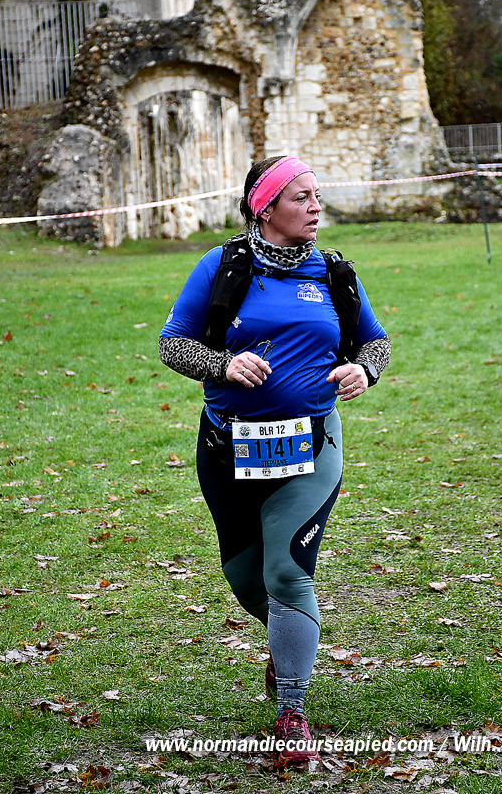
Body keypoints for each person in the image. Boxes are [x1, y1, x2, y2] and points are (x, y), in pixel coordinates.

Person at [158, 155, 390, 762]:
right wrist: (222, 364)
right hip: (227, 447)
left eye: (317, 195)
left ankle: (291, 711)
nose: (316, 207)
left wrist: (363, 370)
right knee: (245, 576)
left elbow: (376, 342)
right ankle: (288, 642)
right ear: (264, 208)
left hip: (312, 444)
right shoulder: (222, 266)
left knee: (287, 572)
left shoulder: (334, 273)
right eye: (300, 197)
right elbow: (172, 344)